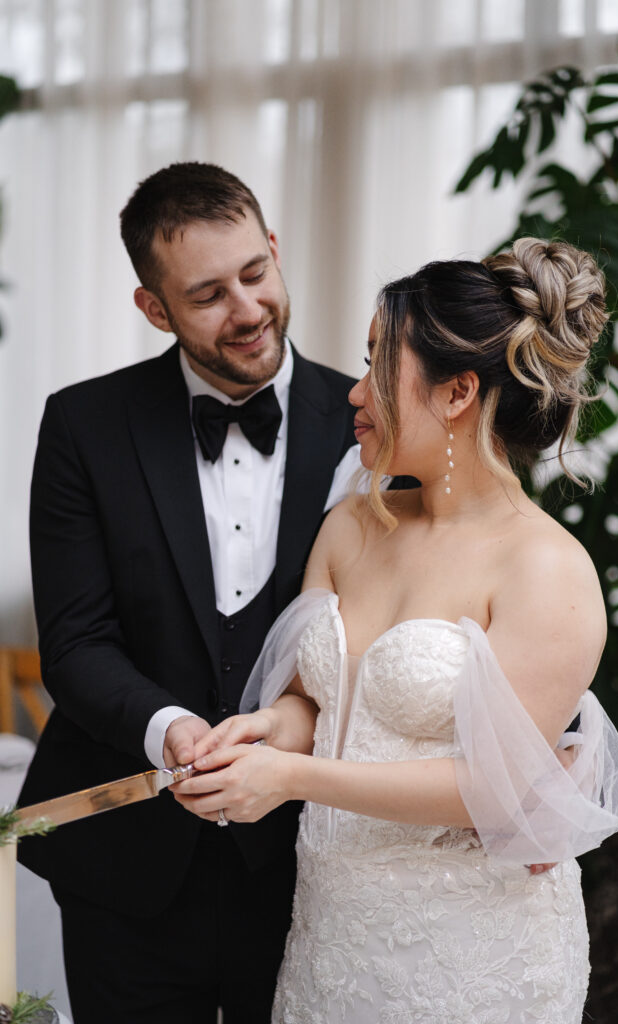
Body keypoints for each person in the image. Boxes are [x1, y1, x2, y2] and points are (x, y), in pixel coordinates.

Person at [173, 238, 618, 1023]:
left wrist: (292, 780)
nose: (355, 392)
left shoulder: (545, 569)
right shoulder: (353, 522)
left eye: (378, 367)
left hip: (470, 951)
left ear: (456, 394)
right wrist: (262, 731)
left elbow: (496, 788)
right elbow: (318, 706)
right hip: (332, 935)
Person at [17, 161, 363, 1024]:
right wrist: (170, 729)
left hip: (309, 862)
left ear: (275, 250)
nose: (246, 311)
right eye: (207, 295)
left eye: (255, 274)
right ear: (154, 309)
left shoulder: (368, 422)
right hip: (127, 871)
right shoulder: (82, 427)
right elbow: (75, 643)